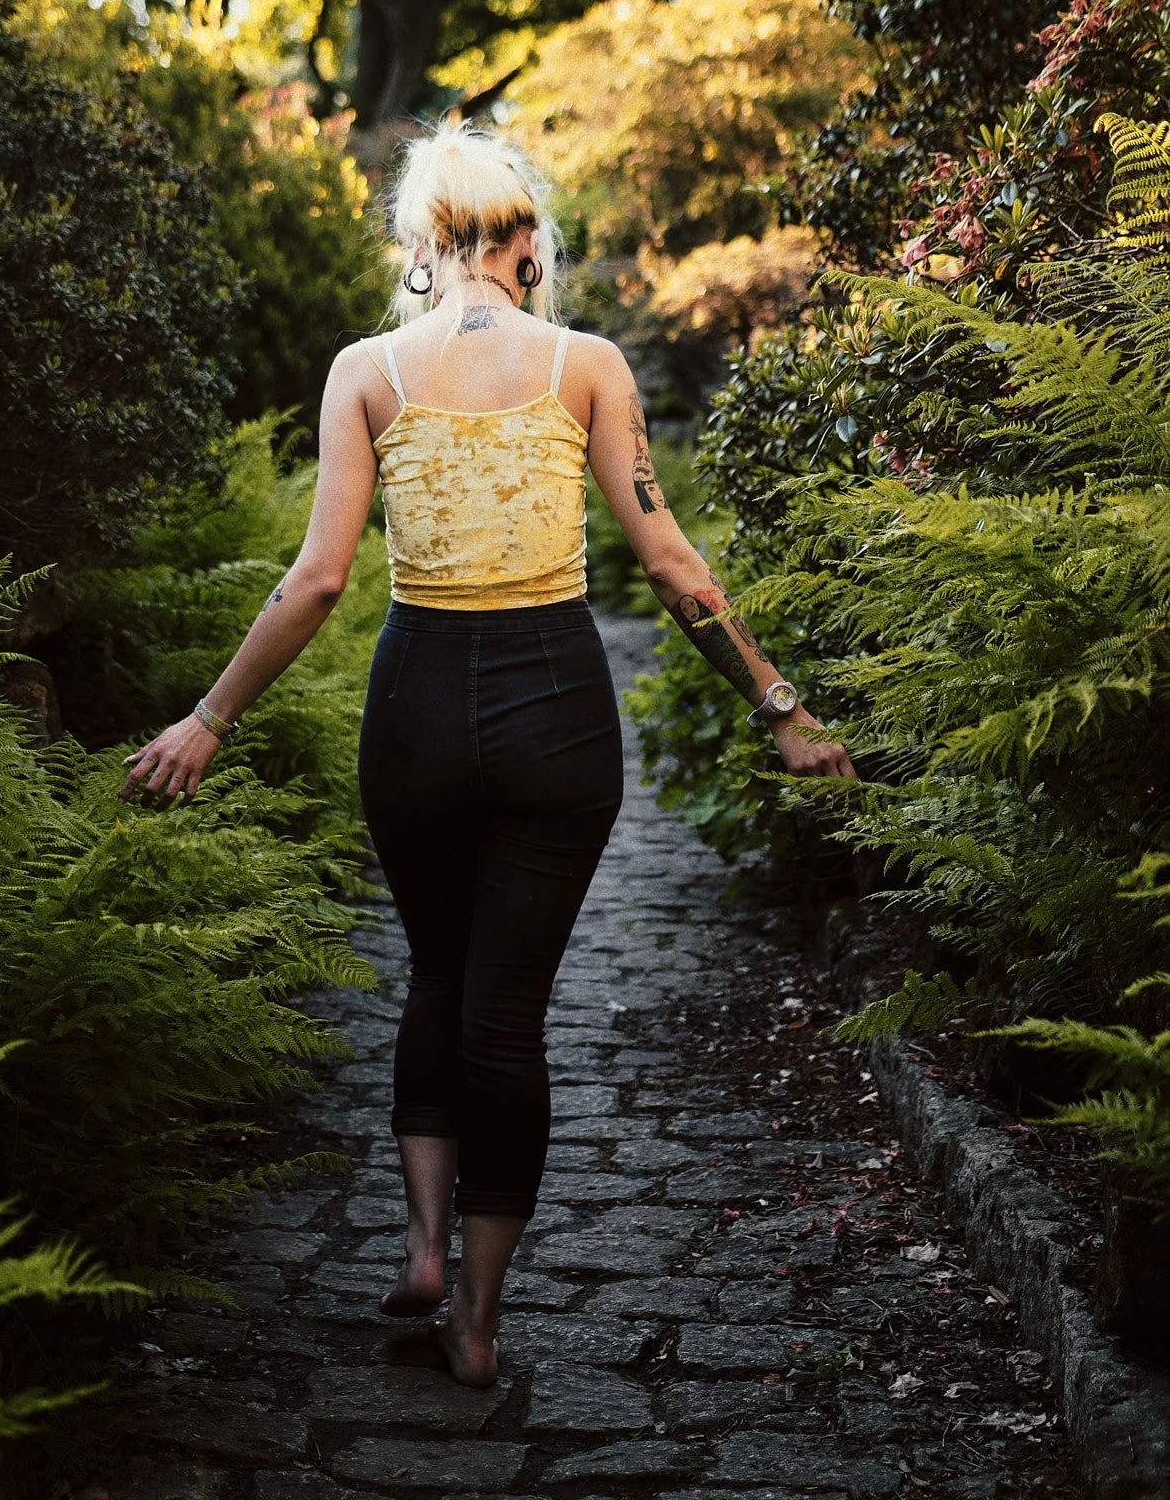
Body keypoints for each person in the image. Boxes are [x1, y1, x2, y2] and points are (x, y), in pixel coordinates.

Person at [123, 124, 855, 1387]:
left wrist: (209, 716)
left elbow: (317, 580)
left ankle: (416, 1245)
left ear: (417, 247)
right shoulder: (589, 364)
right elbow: (672, 565)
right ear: (524, 241)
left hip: (414, 708)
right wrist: (780, 706)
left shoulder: (366, 369)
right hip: (558, 714)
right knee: (505, 1019)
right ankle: (476, 1315)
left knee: (433, 977)